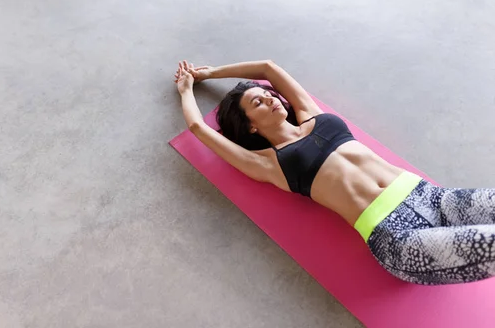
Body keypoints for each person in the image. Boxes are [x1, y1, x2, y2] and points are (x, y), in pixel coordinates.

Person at [174, 59, 495, 285]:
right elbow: (197, 127)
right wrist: (187, 88)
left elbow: (268, 68)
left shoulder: (313, 115)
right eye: (258, 103)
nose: (270, 98)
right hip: (398, 238)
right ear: (252, 127)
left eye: (268, 94)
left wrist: (210, 73)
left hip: (433, 197)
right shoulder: (270, 164)